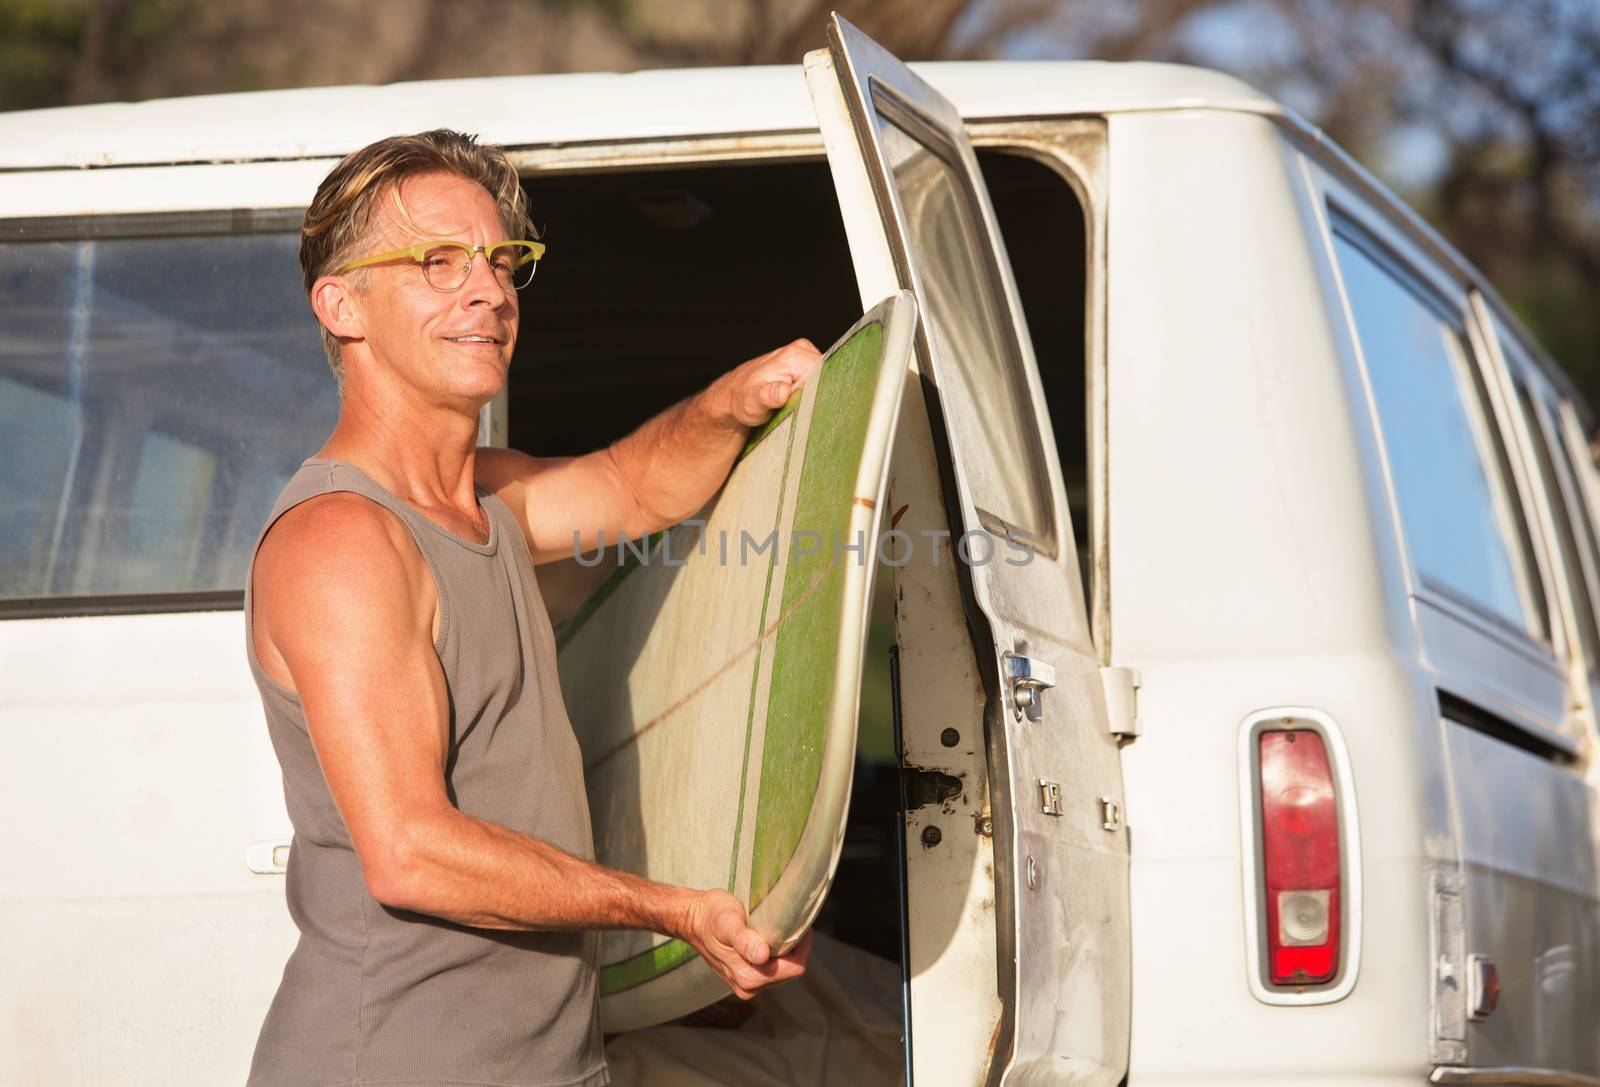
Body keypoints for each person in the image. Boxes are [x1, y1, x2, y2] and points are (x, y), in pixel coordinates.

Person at [244, 129, 818, 1087]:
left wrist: (730, 403)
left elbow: (633, 490)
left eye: (503, 261)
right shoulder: (342, 539)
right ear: (341, 306)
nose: (491, 290)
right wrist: (670, 909)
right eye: (437, 262)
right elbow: (413, 853)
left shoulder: (488, 498)